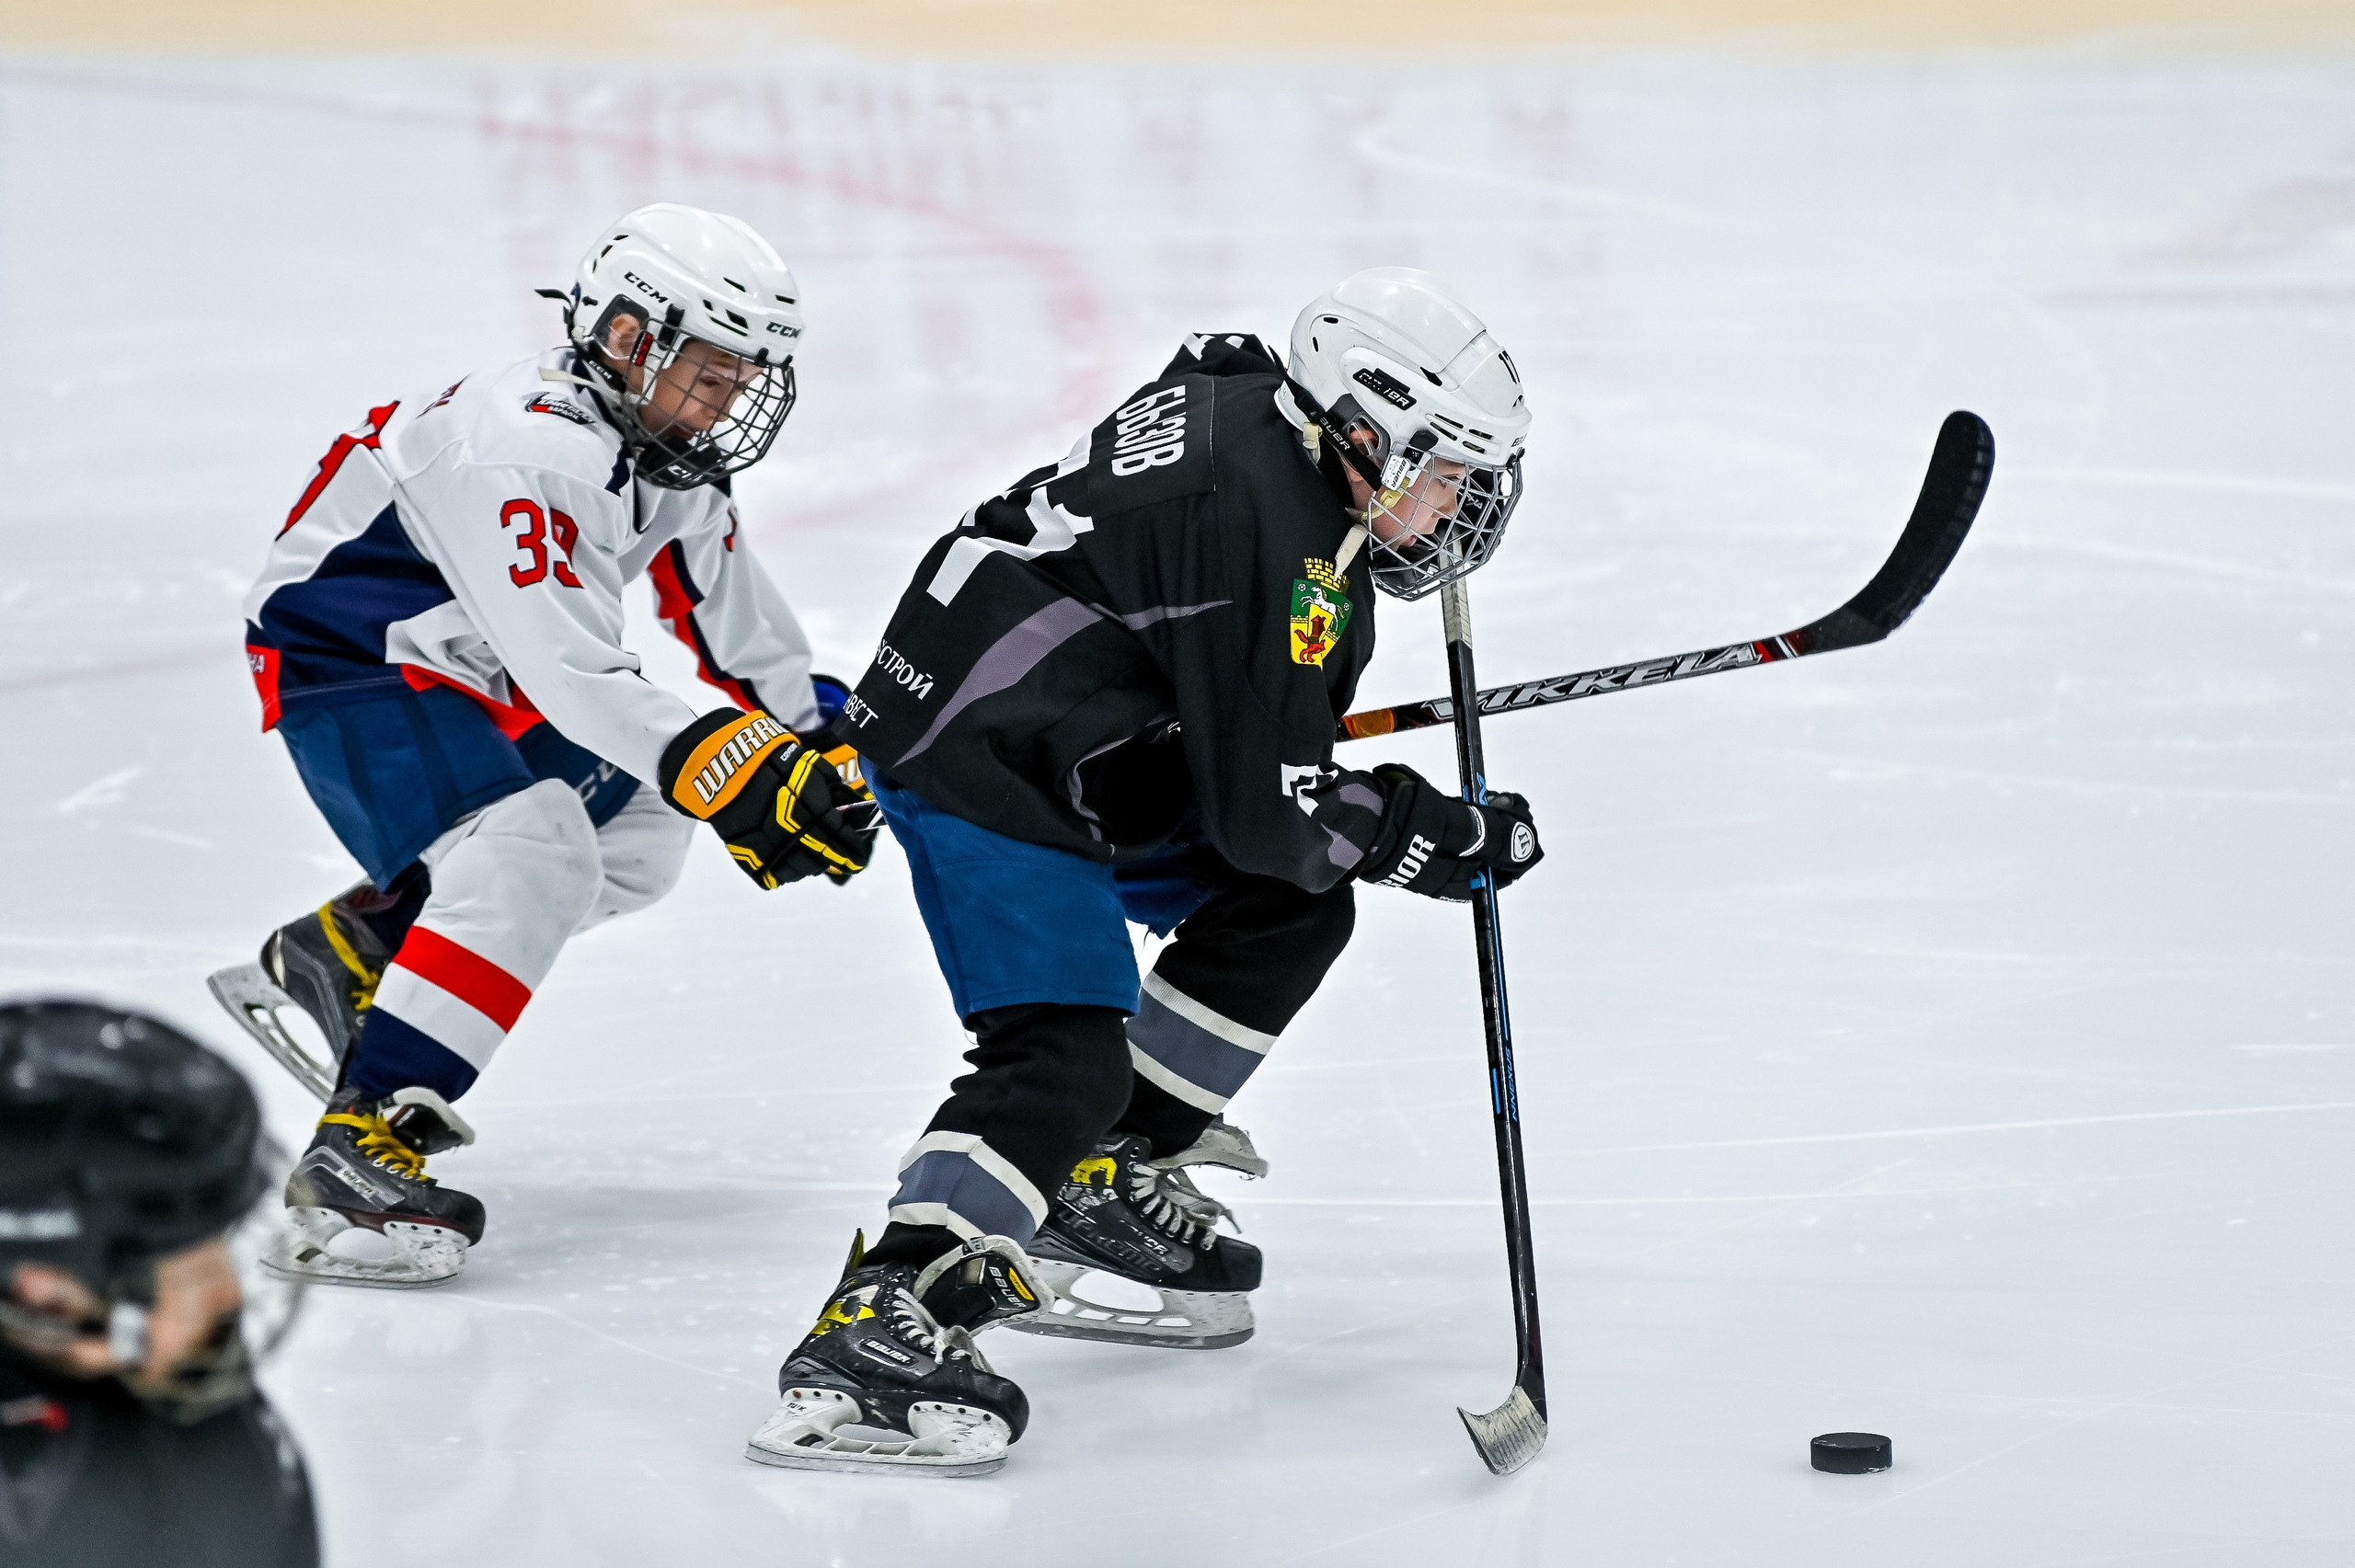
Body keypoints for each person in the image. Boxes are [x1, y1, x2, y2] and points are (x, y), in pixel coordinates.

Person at [743, 267, 1544, 1476]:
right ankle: (877, 1317)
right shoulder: (1277, 533)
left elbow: (1200, 400)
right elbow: (1273, 811)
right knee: (1061, 1044)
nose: (1455, 508)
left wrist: (1282, 750)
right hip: (982, 749)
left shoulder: (1269, 428)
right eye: (1441, 472)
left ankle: (1099, 1173)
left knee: (1289, 909)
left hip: (1071, 723)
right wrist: (1420, 830)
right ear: (1367, 423)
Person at [213, 203, 877, 1289]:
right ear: (627, 337)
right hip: (352, 658)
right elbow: (579, 682)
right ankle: (363, 1141)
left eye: (742, 378)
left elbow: (728, 620)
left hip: (470, 661)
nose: (730, 403)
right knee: (535, 851)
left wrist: (817, 735)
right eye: (711, 373)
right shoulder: (530, 446)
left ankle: (363, 947)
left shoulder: (666, 454)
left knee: (650, 829)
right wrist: (750, 772)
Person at [0, 999, 318, 1566]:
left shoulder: (202, 1437)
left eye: (221, 1253)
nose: (231, 1298)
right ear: (41, 1293)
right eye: (182, 1278)